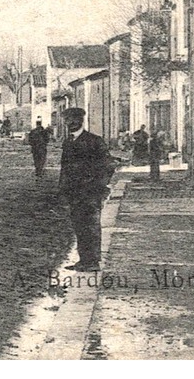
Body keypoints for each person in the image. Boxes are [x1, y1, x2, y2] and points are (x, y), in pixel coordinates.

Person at [59, 106, 117, 272]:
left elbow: (108, 165)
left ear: (81, 121)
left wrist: (98, 186)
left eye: (74, 120)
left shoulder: (94, 141)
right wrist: (62, 190)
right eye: (68, 120)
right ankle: (84, 260)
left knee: (91, 227)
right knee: (79, 227)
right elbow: (65, 168)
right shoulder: (68, 142)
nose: (71, 123)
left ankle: (92, 262)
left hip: (90, 193)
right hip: (74, 193)